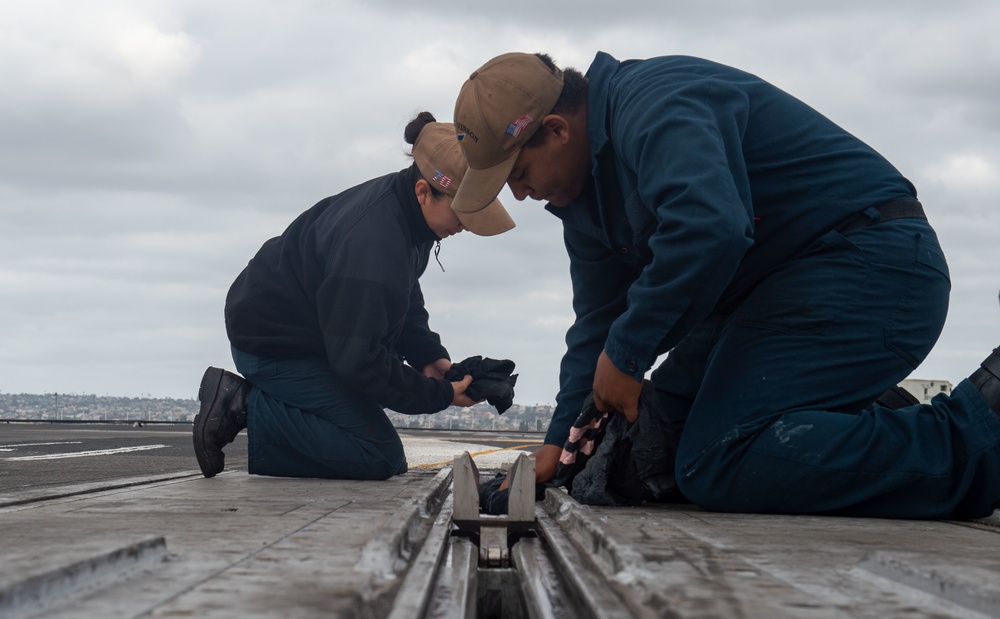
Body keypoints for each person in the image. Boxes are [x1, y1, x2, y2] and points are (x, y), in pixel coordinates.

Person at [450, 51, 1000, 519]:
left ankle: (979, 438)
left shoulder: (654, 104)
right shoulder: (582, 198)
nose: (520, 195)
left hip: (871, 264)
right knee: (656, 449)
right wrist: (555, 445)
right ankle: (858, 412)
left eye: (518, 175)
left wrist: (627, 352)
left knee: (715, 459)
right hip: (773, 295)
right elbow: (598, 323)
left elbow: (710, 227)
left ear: (556, 130)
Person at [193, 112, 515, 480]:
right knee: (378, 455)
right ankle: (241, 403)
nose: (466, 227)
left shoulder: (410, 217)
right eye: (462, 214)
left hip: (311, 337)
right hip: (272, 347)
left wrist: (429, 357)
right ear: (424, 191)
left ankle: (260, 410)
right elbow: (358, 362)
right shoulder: (375, 244)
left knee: (375, 397)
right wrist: (439, 395)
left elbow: (403, 296)